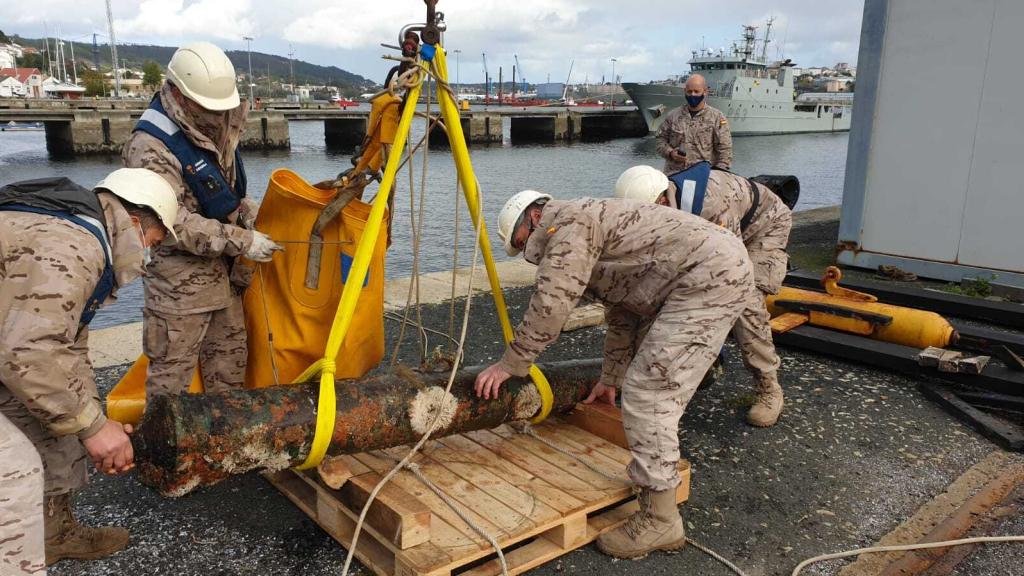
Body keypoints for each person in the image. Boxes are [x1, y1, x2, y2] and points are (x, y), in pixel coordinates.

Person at [474, 191, 757, 559]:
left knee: (650, 391)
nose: (531, 255)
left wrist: (512, 363)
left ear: (532, 220)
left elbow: (552, 303)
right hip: (708, 271)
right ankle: (657, 486)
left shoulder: (565, 226)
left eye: (522, 246)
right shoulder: (589, 224)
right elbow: (625, 311)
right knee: (644, 384)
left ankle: (661, 521)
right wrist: (610, 378)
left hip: (707, 277)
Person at [0, 169, 179, 569]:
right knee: (12, 473)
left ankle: (54, 532)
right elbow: (30, 352)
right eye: (155, 239)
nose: (153, 250)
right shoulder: (73, 247)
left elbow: (67, 348)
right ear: (135, 222)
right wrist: (94, 429)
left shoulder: (75, 223)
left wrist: (92, 420)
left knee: (57, 415)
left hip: (9, 346)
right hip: (15, 350)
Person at [122, 42, 282, 401]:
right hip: (180, 292)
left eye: (222, 107)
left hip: (226, 283)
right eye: (207, 107)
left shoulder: (220, 120)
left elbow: (226, 190)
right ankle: (167, 455)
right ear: (178, 93)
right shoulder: (150, 146)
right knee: (170, 389)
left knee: (229, 378)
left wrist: (249, 214)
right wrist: (242, 241)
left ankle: (227, 451)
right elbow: (168, 220)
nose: (217, 116)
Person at [614, 164, 792, 426]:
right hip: (715, 235)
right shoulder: (656, 207)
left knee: (745, 304)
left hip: (763, 228)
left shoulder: (712, 205)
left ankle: (768, 389)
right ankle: (697, 368)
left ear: (663, 200)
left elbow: (726, 272)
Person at [654, 74, 732, 173]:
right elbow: (660, 140)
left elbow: (725, 151)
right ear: (685, 91)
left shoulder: (717, 117)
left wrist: (718, 175)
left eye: (696, 91)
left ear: (705, 92)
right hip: (674, 176)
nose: (693, 95)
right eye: (689, 91)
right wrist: (671, 153)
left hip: (703, 177)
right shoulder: (672, 116)